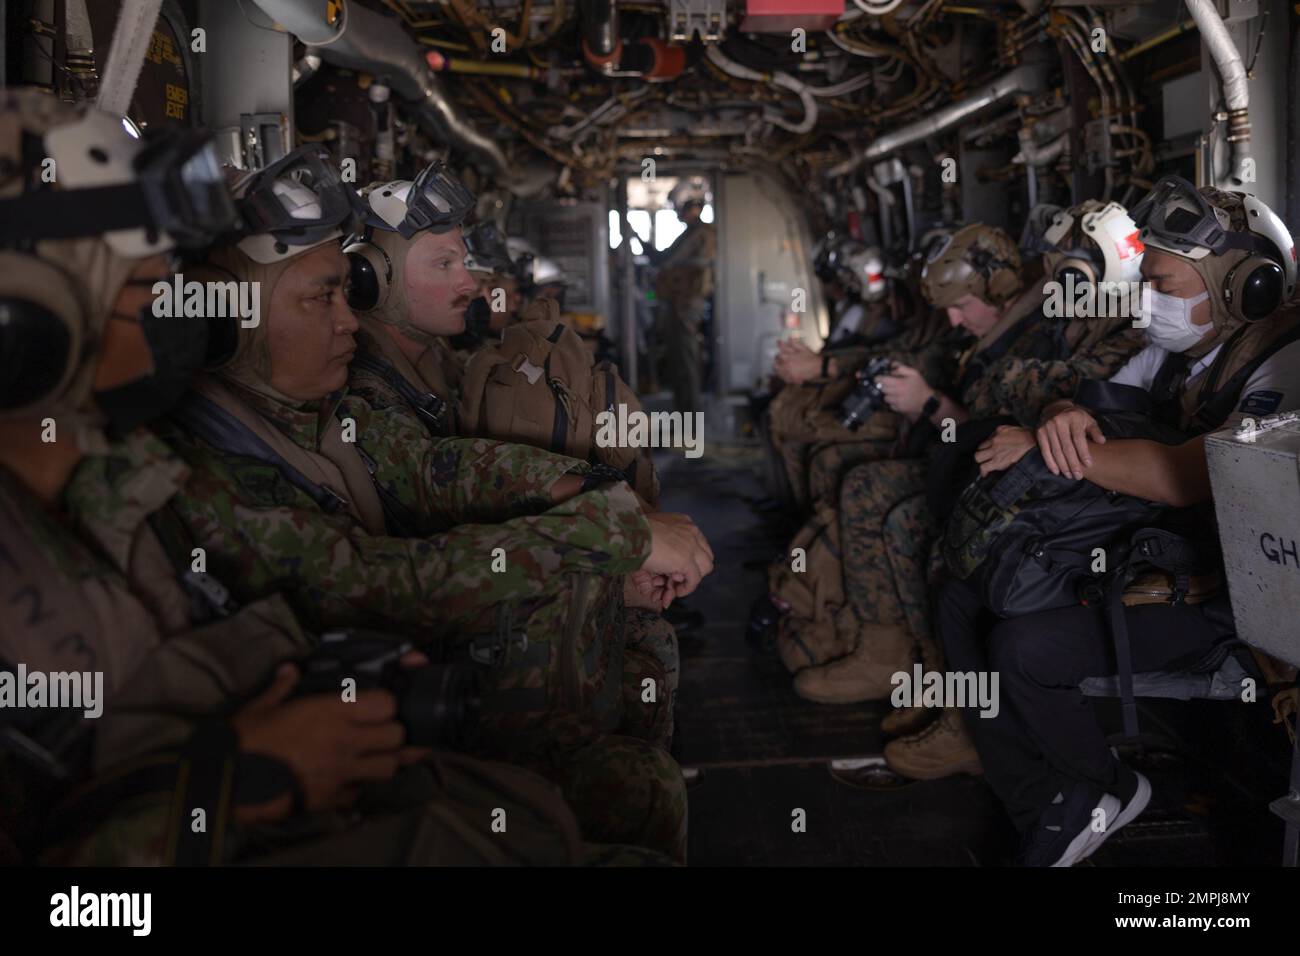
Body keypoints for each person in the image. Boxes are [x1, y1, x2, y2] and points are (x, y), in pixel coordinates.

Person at [0, 90, 644, 867]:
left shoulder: (118, 477)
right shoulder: (178, 462)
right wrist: (231, 782)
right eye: (150, 296)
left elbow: (430, 472)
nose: (178, 322)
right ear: (23, 335)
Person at [159, 149, 713, 860]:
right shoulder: (207, 467)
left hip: (385, 700)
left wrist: (604, 499)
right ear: (223, 320)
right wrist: (615, 534)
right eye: (318, 298)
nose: (347, 322)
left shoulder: (320, 414)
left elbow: (441, 470)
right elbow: (374, 585)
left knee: (637, 765)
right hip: (344, 747)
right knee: (633, 788)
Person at [933, 178, 1298, 865]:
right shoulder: (1189, 349)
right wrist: (1060, 418)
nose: (1148, 301)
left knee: (1022, 649)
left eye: (1163, 284)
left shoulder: (1284, 359)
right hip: (1155, 552)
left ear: (1242, 287)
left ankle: (1110, 786)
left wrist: (1054, 444)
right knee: (960, 591)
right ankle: (1045, 804)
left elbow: (1186, 477)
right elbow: (1094, 403)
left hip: (1237, 599)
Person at [788, 210, 1145, 716]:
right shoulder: (1045, 321)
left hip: (1070, 497)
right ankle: (891, 650)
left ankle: (942, 687)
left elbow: (1008, 396)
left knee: (909, 520)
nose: (953, 320)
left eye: (961, 307)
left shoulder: (1119, 330)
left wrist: (932, 404)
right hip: (1015, 469)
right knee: (860, 480)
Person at [343, 164, 480, 437]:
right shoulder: (362, 392)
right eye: (444, 264)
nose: (470, 284)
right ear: (375, 277)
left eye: (462, 262)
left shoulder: (435, 353)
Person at [652, 178, 716, 413]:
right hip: (682, 304)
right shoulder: (695, 233)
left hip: (686, 305)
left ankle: (690, 418)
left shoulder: (699, 234)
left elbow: (665, 260)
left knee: (686, 362)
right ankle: (685, 414)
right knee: (680, 361)